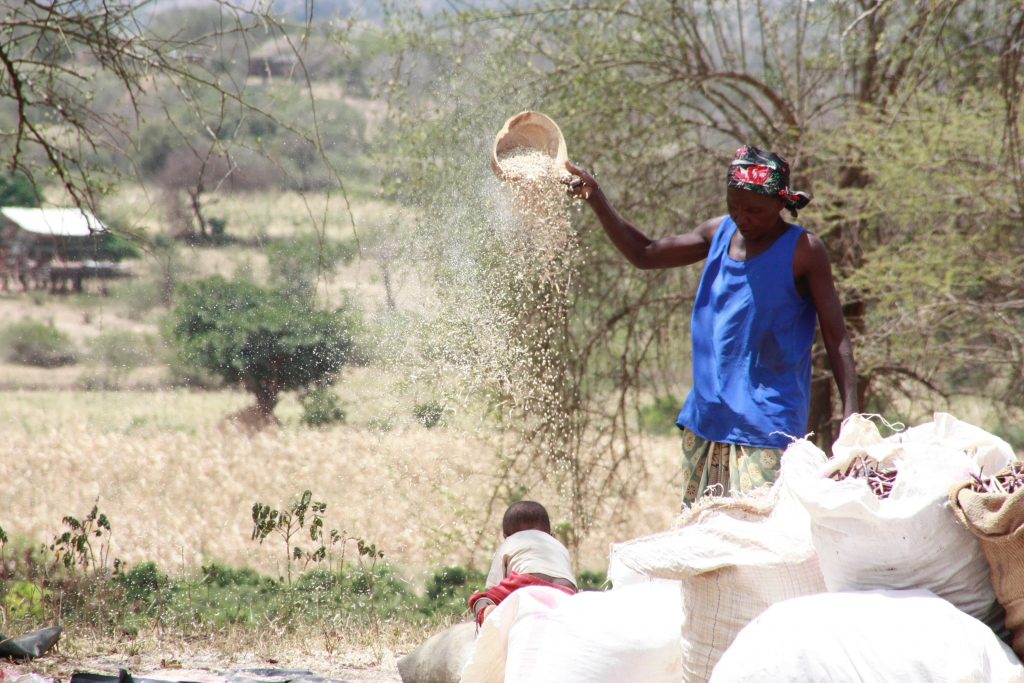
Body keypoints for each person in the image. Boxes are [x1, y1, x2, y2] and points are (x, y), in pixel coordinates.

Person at [565, 145, 859, 505]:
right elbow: (644, 253)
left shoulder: (804, 251)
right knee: (703, 537)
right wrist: (597, 199)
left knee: (762, 540)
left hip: (766, 427)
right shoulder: (718, 233)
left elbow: (836, 336)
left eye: (754, 210)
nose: (742, 218)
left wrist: (851, 417)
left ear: (781, 204)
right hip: (705, 422)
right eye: (734, 206)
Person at [468, 500, 577, 625]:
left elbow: (493, 586)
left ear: (506, 536)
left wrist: (491, 601)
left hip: (525, 580)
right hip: (565, 588)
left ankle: (489, 615)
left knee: (481, 599)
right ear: (551, 534)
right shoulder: (559, 546)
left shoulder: (509, 543)